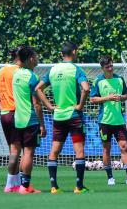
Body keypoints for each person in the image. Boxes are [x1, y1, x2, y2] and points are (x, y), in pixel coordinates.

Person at [36, 41, 91, 193]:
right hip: (74, 116)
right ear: (74, 52)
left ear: (61, 54)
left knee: (54, 151)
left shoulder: (52, 70)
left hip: (58, 117)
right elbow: (86, 89)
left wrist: (49, 106)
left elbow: (38, 88)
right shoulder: (76, 70)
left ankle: (54, 187)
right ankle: (78, 187)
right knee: (79, 151)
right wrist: (80, 105)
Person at [91, 55, 127, 186]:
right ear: (102, 68)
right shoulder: (98, 81)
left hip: (119, 121)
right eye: (107, 67)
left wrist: (121, 97)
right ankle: (110, 177)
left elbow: (126, 95)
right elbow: (92, 99)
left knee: (124, 147)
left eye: (111, 65)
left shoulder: (119, 79)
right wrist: (108, 98)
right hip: (105, 121)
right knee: (106, 149)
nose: (110, 68)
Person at [12, 46, 46, 194]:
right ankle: (25, 187)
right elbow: (37, 104)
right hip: (30, 120)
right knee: (28, 153)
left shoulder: (16, 74)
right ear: (31, 58)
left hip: (18, 119)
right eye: (36, 56)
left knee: (22, 153)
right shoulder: (33, 78)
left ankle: (21, 185)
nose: (37, 59)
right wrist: (42, 125)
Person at [0, 47, 22, 192]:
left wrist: (0, 105)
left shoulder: (2, 70)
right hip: (15, 112)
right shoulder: (19, 72)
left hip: (4, 113)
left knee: (14, 149)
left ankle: (16, 183)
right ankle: (10, 184)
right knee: (16, 150)